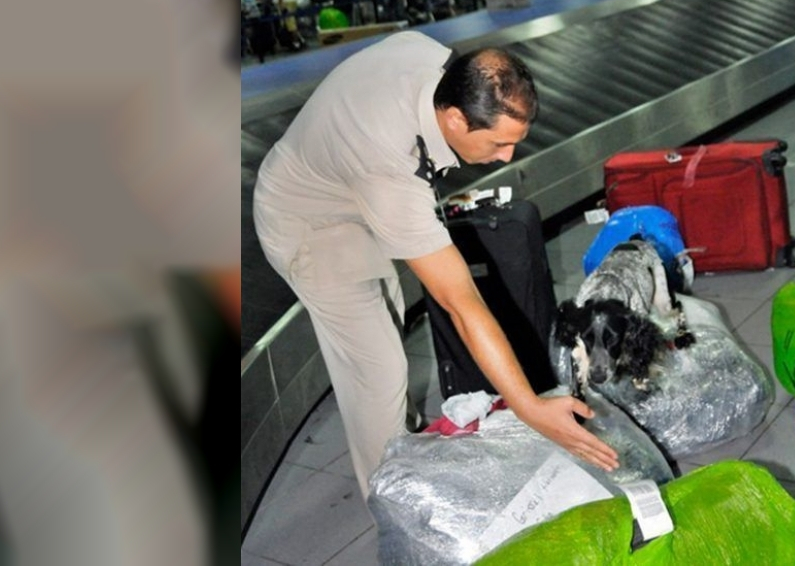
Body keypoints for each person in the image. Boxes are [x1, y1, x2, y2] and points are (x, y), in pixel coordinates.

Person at [252, 32, 620, 499]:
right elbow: (460, 303)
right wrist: (530, 408)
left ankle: (400, 443)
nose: (508, 157)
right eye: (499, 143)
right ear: (455, 118)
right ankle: (392, 503)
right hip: (309, 222)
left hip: (349, 194)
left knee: (387, 317)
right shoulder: (388, 164)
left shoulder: (434, 63)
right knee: (377, 368)